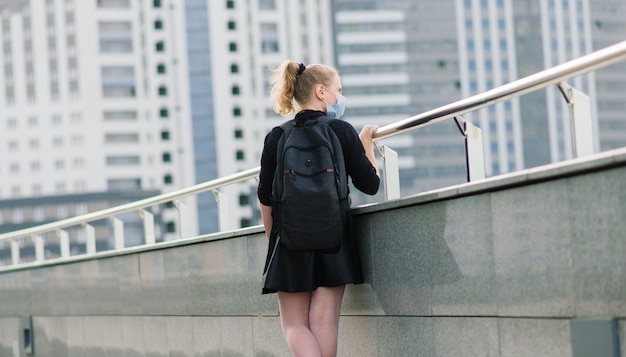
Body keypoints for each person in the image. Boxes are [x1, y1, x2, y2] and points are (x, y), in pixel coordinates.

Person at [257, 60, 380, 357]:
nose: (341, 97)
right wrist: (366, 145)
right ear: (321, 91)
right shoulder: (341, 130)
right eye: (339, 90)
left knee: (295, 325)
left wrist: (276, 240)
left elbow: (265, 197)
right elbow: (371, 184)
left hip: (290, 238)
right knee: (324, 319)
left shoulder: (277, 136)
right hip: (333, 237)